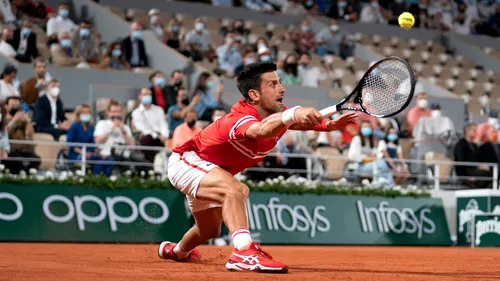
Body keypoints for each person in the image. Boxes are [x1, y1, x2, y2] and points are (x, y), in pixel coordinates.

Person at [158, 62, 357, 272]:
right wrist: (293, 114)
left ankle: (176, 251)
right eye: (273, 84)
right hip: (187, 162)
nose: (282, 88)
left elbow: (295, 122)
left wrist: (327, 125)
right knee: (236, 190)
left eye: (280, 82)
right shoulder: (239, 118)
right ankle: (243, 252)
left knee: (209, 230)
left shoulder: (277, 115)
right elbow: (262, 130)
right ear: (254, 95)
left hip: (212, 171)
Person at [66, 104, 113, 176]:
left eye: (87, 112)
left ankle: (106, 180)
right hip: (77, 155)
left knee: (109, 161)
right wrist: (83, 153)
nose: (86, 114)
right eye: (83, 113)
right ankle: (95, 179)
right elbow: (70, 143)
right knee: (98, 162)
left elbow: (93, 144)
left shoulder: (90, 128)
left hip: (90, 154)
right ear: (79, 115)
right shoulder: (74, 126)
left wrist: (100, 154)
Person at [347, 120, 395, 187]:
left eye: (369, 127)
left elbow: (377, 154)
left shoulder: (372, 140)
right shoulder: (357, 139)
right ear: (361, 128)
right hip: (359, 166)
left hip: (371, 164)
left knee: (383, 166)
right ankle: (389, 186)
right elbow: (352, 155)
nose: (367, 128)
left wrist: (375, 156)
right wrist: (367, 157)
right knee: (383, 165)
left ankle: (386, 186)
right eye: (365, 126)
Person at [131, 88, 169, 162]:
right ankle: (150, 164)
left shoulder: (159, 110)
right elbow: (143, 129)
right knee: (147, 138)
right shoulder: (136, 112)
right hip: (148, 138)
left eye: (149, 94)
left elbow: (163, 124)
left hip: (161, 138)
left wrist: (165, 135)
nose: (147, 96)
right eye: (145, 94)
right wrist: (158, 137)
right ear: (140, 96)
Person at [454, 123, 491, 189]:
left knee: (490, 172)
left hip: (474, 170)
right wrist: (478, 167)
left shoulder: (474, 145)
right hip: (466, 172)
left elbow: (479, 158)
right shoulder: (460, 145)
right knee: (486, 174)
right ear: (467, 131)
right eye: (474, 130)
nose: (476, 132)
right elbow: (461, 161)